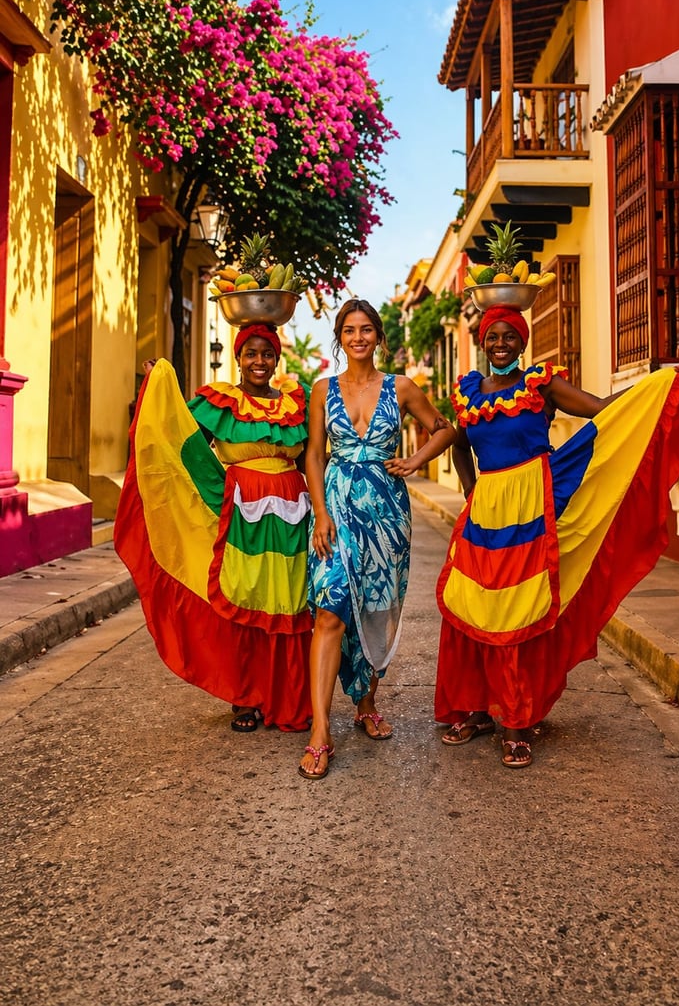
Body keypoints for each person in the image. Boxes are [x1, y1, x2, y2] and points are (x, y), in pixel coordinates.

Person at [434, 304, 679, 769]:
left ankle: (515, 721)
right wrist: (472, 491)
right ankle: (476, 709)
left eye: (508, 337)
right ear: (481, 341)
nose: (499, 345)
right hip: (485, 511)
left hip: (532, 507)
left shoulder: (541, 384)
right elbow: (459, 442)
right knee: (470, 604)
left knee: (517, 606)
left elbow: (599, 411)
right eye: (492, 337)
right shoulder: (468, 391)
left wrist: (652, 389)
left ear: (522, 341)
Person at [114, 323, 313, 734]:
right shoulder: (221, 401)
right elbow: (181, 440)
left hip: (294, 513)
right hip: (241, 517)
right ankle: (245, 698)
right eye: (251, 354)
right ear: (239, 359)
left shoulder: (298, 402)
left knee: (292, 602)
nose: (259, 362)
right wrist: (158, 389)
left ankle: (288, 697)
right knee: (245, 597)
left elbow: (315, 455)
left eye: (267, 354)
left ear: (277, 359)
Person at [298, 299, 457, 779]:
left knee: (374, 609)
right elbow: (313, 455)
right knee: (330, 609)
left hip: (388, 516)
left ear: (379, 336)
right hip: (337, 510)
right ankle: (321, 731)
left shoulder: (401, 387)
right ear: (339, 338)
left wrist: (415, 461)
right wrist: (320, 513)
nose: (358, 337)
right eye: (349, 330)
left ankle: (366, 703)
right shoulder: (323, 389)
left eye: (367, 329)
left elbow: (444, 429)